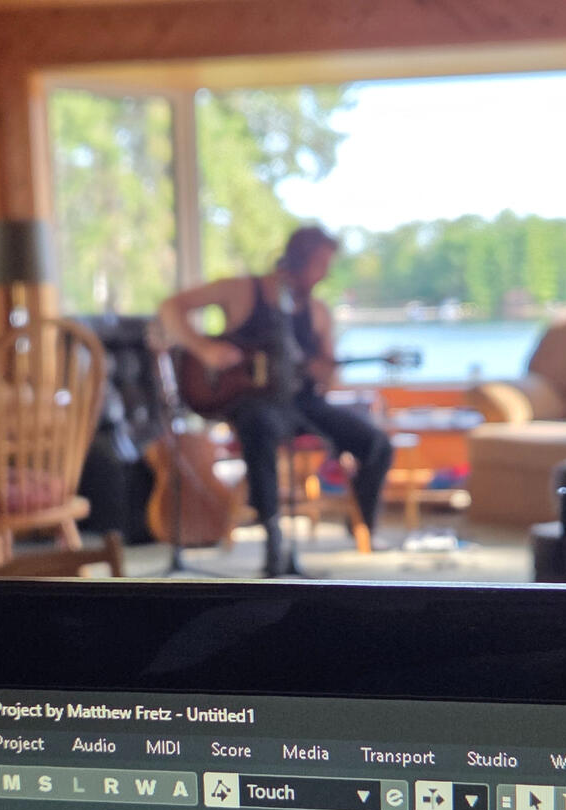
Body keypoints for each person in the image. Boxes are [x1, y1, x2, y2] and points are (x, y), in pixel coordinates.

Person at [159, 226, 393, 576]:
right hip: (255, 404)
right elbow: (170, 307)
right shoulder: (242, 290)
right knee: (259, 424)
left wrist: (325, 373)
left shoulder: (317, 312)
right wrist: (204, 348)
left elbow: (330, 380)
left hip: (303, 405)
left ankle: (361, 524)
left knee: (377, 444)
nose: (324, 274)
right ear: (297, 259)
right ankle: (273, 540)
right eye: (319, 264)